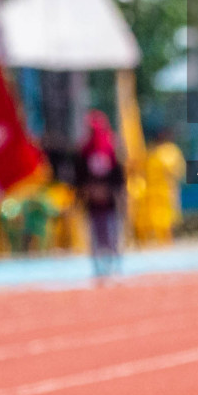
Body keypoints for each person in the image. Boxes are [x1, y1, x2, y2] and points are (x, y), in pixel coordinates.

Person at [74, 111, 125, 279]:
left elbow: (118, 176)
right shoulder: (84, 151)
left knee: (112, 234)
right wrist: (86, 192)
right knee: (95, 237)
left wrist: (114, 193)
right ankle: (98, 268)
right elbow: (79, 177)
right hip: (92, 203)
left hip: (109, 202)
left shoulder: (111, 148)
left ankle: (115, 266)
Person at [142, 128, 185, 246]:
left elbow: (176, 170)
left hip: (166, 189)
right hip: (152, 191)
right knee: (153, 217)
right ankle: (156, 241)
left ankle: (167, 240)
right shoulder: (152, 151)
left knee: (167, 217)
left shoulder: (170, 151)